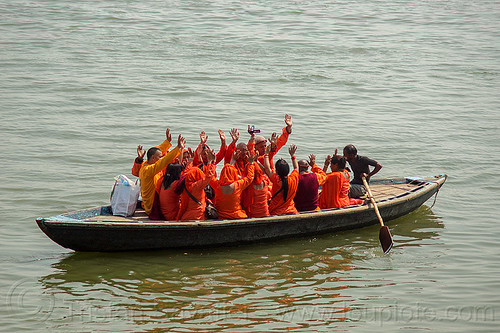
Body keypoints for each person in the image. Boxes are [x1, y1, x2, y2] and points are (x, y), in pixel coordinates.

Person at [139, 133, 185, 216]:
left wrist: (167, 142)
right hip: (152, 206)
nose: (161, 158)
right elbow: (164, 161)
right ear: (153, 158)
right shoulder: (149, 170)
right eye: (160, 157)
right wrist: (178, 147)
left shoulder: (146, 164)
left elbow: (158, 151)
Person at [214, 150, 256, 219]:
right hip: (236, 215)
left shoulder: (217, 185)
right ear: (233, 174)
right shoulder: (238, 185)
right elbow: (249, 178)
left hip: (220, 215)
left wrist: (211, 163)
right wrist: (251, 163)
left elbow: (210, 177)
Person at [176, 149, 217, 221]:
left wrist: (191, 160)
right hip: (198, 216)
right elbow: (208, 177)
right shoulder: (196, 186)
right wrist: (211, 163)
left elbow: (187, 171)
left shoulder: (185, 182)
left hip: (185, 215)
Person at [264, 144, 300, 215]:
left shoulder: (276, 180)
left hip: (276, 212)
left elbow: (267, 169)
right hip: (291, 211)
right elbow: (296, 167)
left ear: (277, 172)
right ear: (288, 170)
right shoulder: (293, 179)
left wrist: (266, 154)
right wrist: (292, 155)